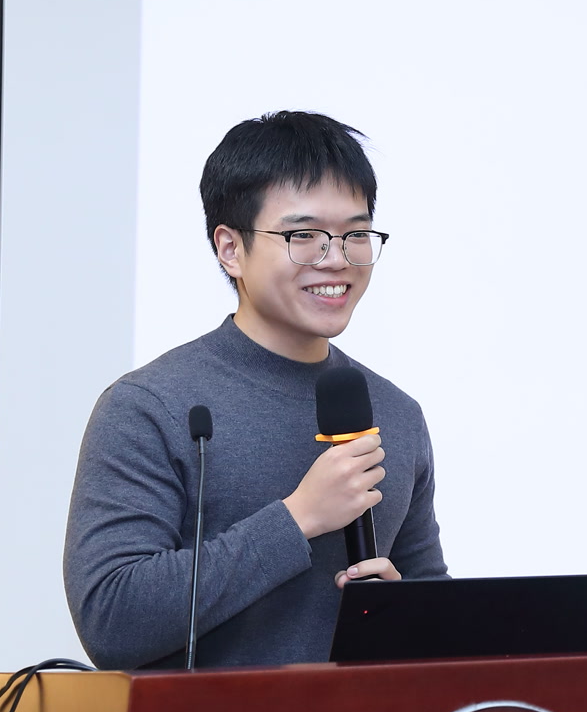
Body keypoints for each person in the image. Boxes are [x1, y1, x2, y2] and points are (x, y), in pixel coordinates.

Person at [63, 112, 447, 669]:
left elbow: (439, 626)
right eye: (303, 236)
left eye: (356, 234)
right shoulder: (150, 406)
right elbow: (111, 620)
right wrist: (297, 518)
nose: (336, 259)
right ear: (230, 249)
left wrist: (401, 615)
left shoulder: (396, 412)